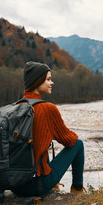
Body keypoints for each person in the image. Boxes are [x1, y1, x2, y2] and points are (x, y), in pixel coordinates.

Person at [12, 61, 85, 197]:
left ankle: (55, 186)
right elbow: (70, 141)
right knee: (79, 144)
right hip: (37, 185)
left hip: (14, 185)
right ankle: (77, 189)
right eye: (48, 79)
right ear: (37, 81)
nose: (52, 83)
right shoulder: (47, 108)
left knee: (39, 147)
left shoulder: (15, 107)